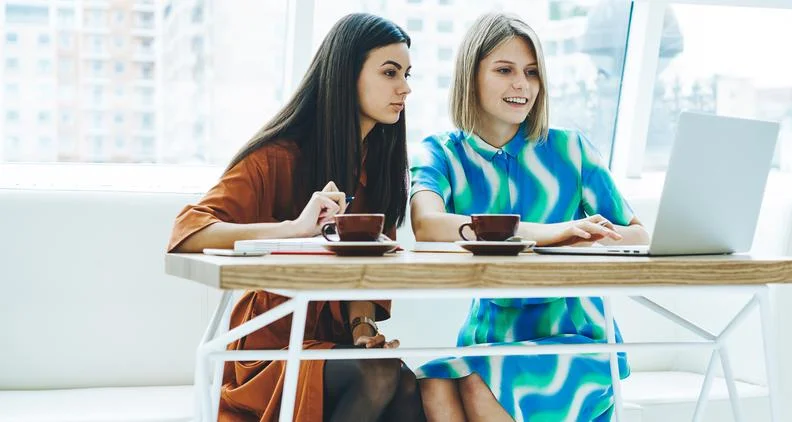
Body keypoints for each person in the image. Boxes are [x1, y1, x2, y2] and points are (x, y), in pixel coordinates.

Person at [166, 13, 424, 422]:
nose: (405, 88)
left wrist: (363, 329)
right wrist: (295, 229)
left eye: (408, 74)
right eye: (390, 73)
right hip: (271, 344)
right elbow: (188, 231)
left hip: (335, 341)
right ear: (346, 75)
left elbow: (367, 266)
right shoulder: (279, 157)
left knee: (408, 386)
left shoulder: (380, 166)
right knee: (379, 379)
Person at [410, 12, 651, 422]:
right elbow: (427, 225)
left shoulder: (570, 150)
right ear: (472, 76)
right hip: (488, 336)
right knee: (432, 383)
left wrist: (590, 238)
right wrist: (547, 234)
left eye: (532, 72)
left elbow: (638, 235)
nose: (522, 84)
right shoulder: (441, 151)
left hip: (575, 335)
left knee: (477, 383)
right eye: (504, 70)